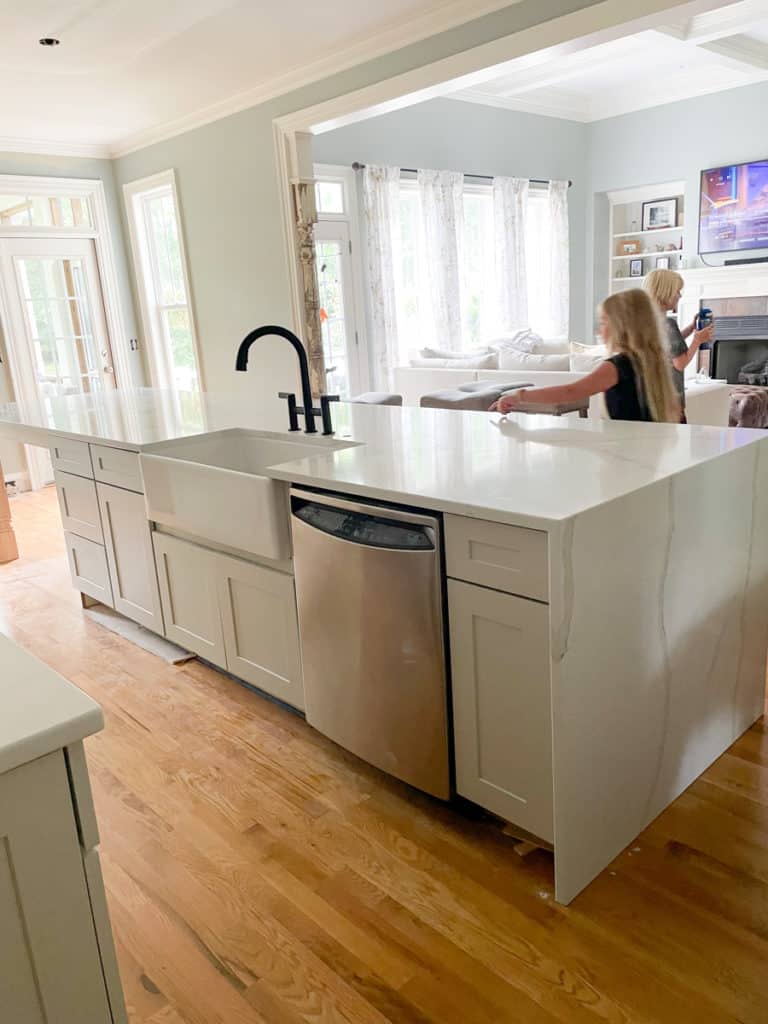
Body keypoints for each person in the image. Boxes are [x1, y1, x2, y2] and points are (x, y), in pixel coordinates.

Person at [490, 289, 679, 422]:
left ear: (621, 327)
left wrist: (520, 396)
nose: (600, 329)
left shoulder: (617, 366)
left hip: (624, 452)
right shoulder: (655, 360)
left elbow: (570, 392)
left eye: (604, 322)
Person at [645, 268, 714, 422]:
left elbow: (668, 347)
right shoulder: (668, 323)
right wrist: (698, 340)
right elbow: (680, 363)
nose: (680, 295)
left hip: (655, 399)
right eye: (677, 291)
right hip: (672, 400)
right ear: (665, 292)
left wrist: (690, 329)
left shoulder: (649, 321)